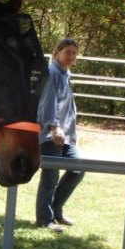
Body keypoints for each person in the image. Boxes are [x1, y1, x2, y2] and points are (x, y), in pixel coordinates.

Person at [36, 38, 85, 232]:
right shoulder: (53, 73)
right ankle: (44, 219)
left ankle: (56, 209)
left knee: (78, 168)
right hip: (52, 135)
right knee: (50, 176)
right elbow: (47, 103)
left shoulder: (65, 73)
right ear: (57, 52)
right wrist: (53, 128)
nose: (71, 56)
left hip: (66, 137)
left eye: (74, 53)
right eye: (67, 52)